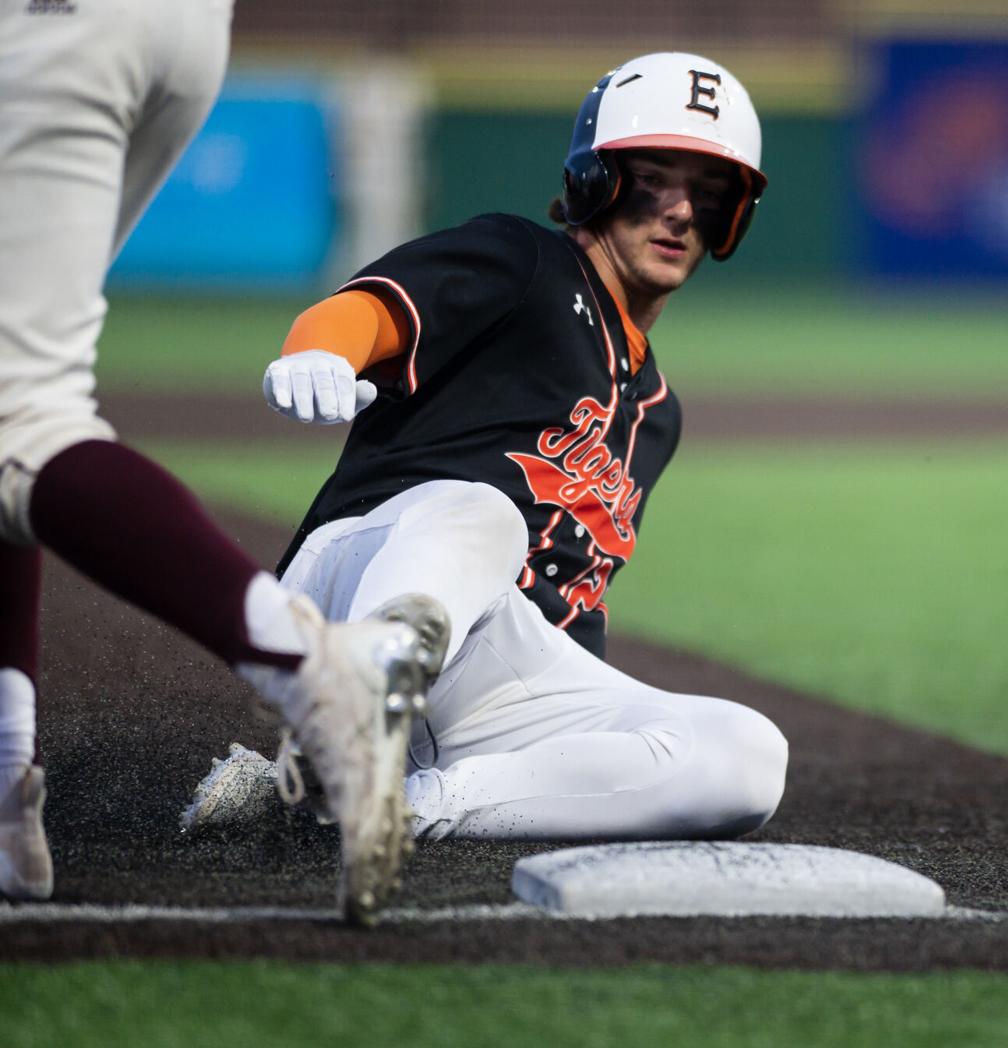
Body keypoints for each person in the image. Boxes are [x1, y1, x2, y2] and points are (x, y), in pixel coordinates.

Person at [185, 51, 789, 845]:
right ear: (597, 179)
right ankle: (347, 728)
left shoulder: (658, 414)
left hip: (495, 664)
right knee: (484, 513)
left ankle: (388, 806)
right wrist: (320, 351)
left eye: (708, 195)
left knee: (748, 755)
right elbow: (370, 310)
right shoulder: (526, 262)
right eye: (653, 179)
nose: (679, 212)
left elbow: (573, 601)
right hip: (366, 570)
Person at [0, 0, 441, 926]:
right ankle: (7, 782)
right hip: (179, 25)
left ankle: (313, 667)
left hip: (52, 21)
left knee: (21, 413)